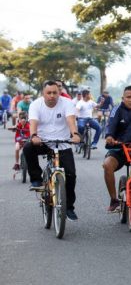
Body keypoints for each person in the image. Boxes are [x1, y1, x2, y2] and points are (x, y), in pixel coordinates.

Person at [23, 80, 81, 221]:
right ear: (43, 93)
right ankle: (36, 179)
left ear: (59, 92)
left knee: (71, 176)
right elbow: (33, 123)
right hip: (43, 142)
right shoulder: (36, 104)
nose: (52, 95)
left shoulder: (67, 103)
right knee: (28, 147)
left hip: (62, 143)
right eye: (49, 93)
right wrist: (34, 135)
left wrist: (75, 134)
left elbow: (71, 121)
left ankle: (69, 208)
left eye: (55, 92)